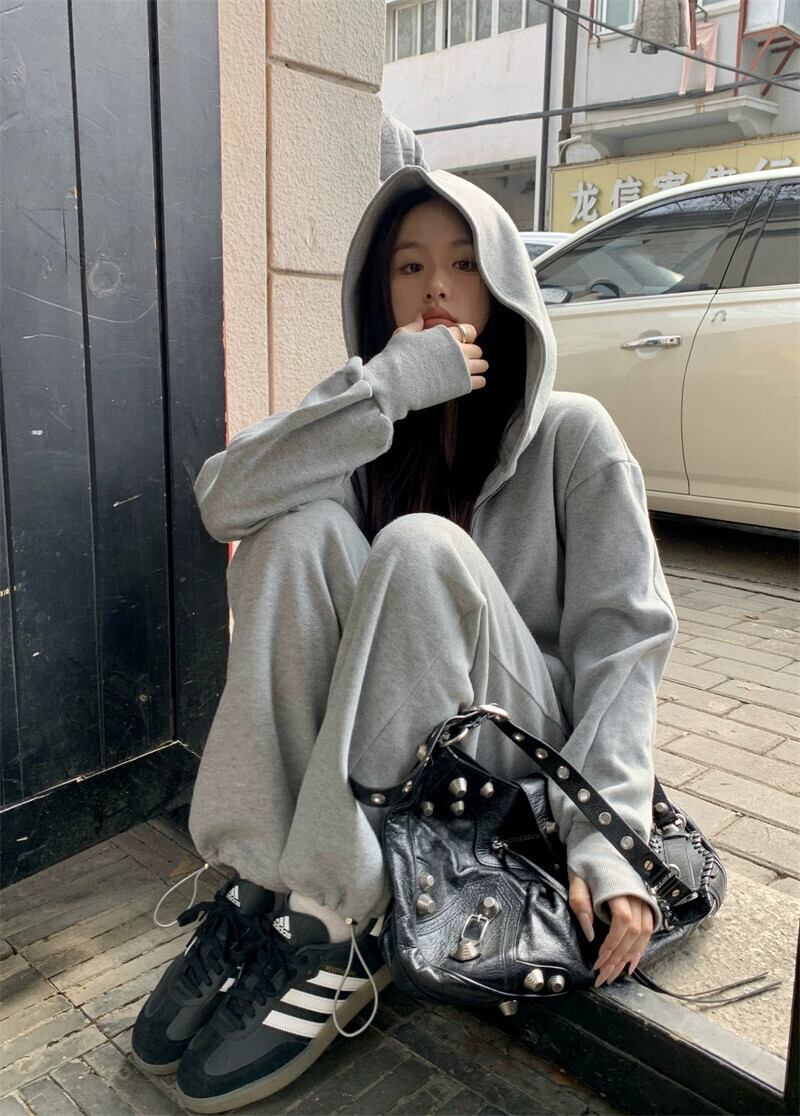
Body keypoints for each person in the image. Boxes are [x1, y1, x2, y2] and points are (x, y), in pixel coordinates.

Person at [131, 166, 678, 1113]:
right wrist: (384, 389)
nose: (437, 289)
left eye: (464, 265)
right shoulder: (371, 431)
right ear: (379, 291)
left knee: (421, 546)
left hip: (515, 750)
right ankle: (260, 883)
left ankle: (337, 926)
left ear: (502, 286)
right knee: (293, 534)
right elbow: (225, 500)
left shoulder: (574, 434)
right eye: (410, 267)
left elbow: (626, 641)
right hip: (398, 737)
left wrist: (610, 838)